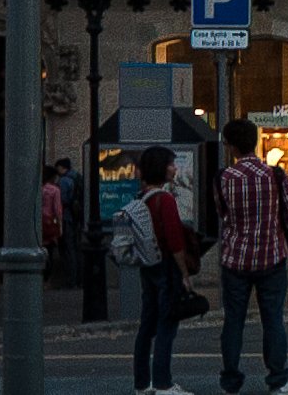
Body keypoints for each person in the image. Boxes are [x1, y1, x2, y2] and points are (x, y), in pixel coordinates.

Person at [211, 115, 288, 395]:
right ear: (254, 142)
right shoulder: (274, 175)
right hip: (271, 257)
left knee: (233, 321)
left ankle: (231, 381)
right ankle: (277, 379)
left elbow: (222, 214)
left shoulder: (223, 178)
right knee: (273, 320)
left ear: (231, 147)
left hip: (235, 259)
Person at [108, 144, 201, 395]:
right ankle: (163, 383)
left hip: (148, 265)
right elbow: (174, 240)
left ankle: (142, 383)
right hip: (167, 267)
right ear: (162, 168)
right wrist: (184, 274)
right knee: (167, 326)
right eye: (171, 164)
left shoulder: (141, 199)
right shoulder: (165, 199)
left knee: (147, 326)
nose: (175, 168)